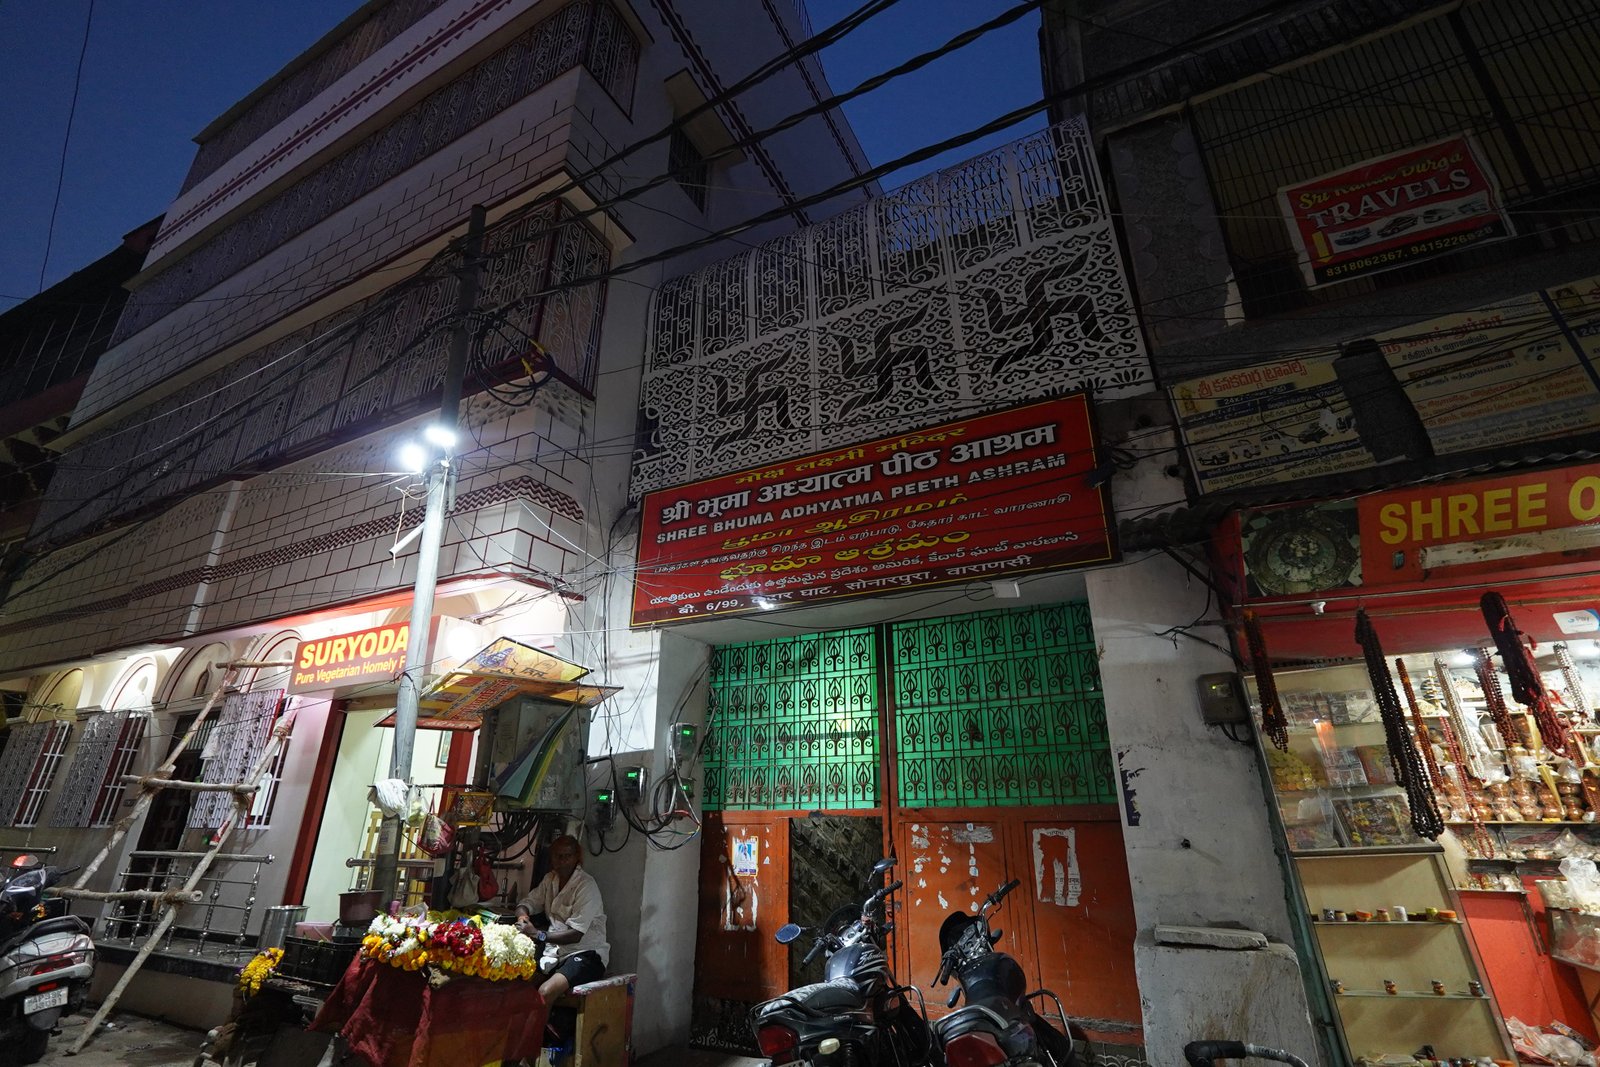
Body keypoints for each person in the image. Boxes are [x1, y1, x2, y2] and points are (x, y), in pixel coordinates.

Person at [513, 834, 609, 1006]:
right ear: (552, 858)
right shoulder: (550, 879)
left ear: (577, 857)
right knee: (519, 986)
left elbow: (576, 935)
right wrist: (523, 918)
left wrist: (537, 934)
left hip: (585, 954)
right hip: (554, 954)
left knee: (545, 992)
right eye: (558, 856)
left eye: (568, 856)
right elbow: (527, 903)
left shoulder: (586, 885)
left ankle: (537, 1025)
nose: (562, 861)